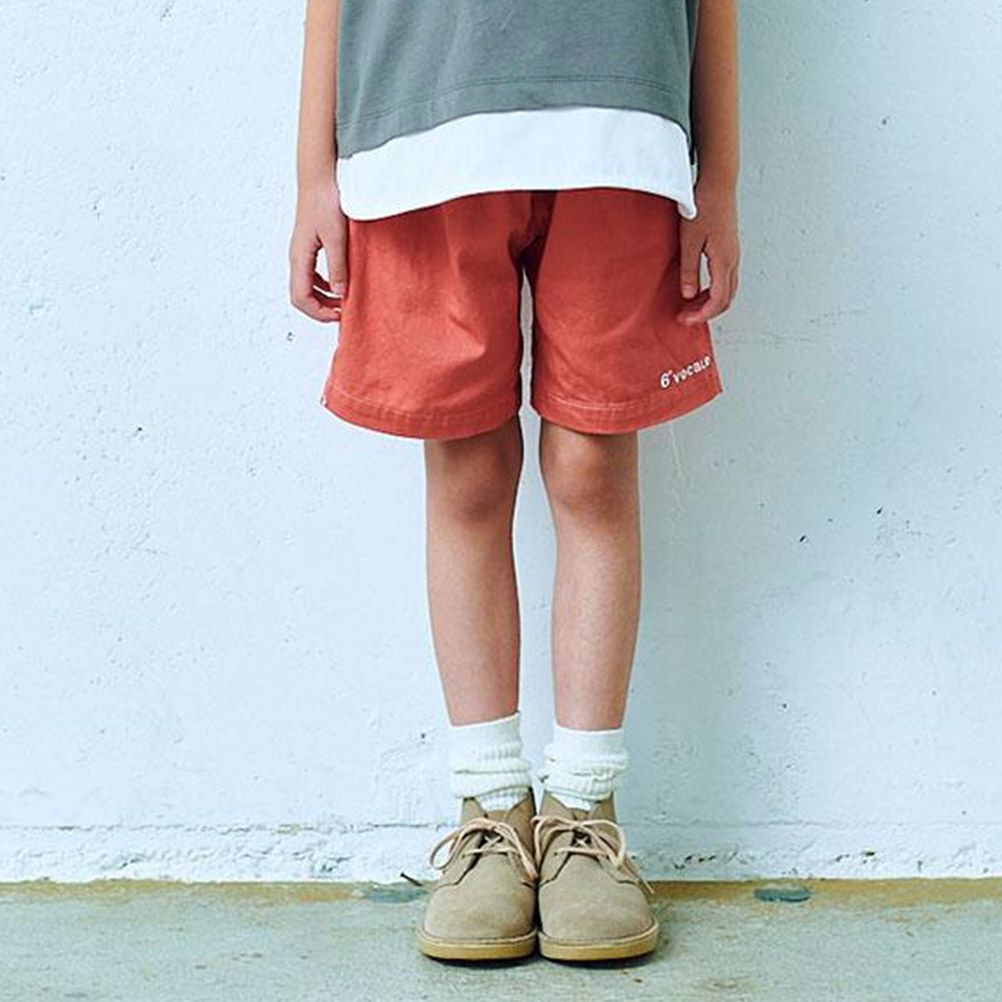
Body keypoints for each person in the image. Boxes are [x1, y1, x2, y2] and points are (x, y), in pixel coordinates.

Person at [290, 0, 740, 963]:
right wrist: (312, 176)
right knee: (465, 464)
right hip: (419, 129)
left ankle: (584, 807)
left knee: (591, 460)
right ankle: (491, 804)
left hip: (619, 128)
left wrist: (721, 180)